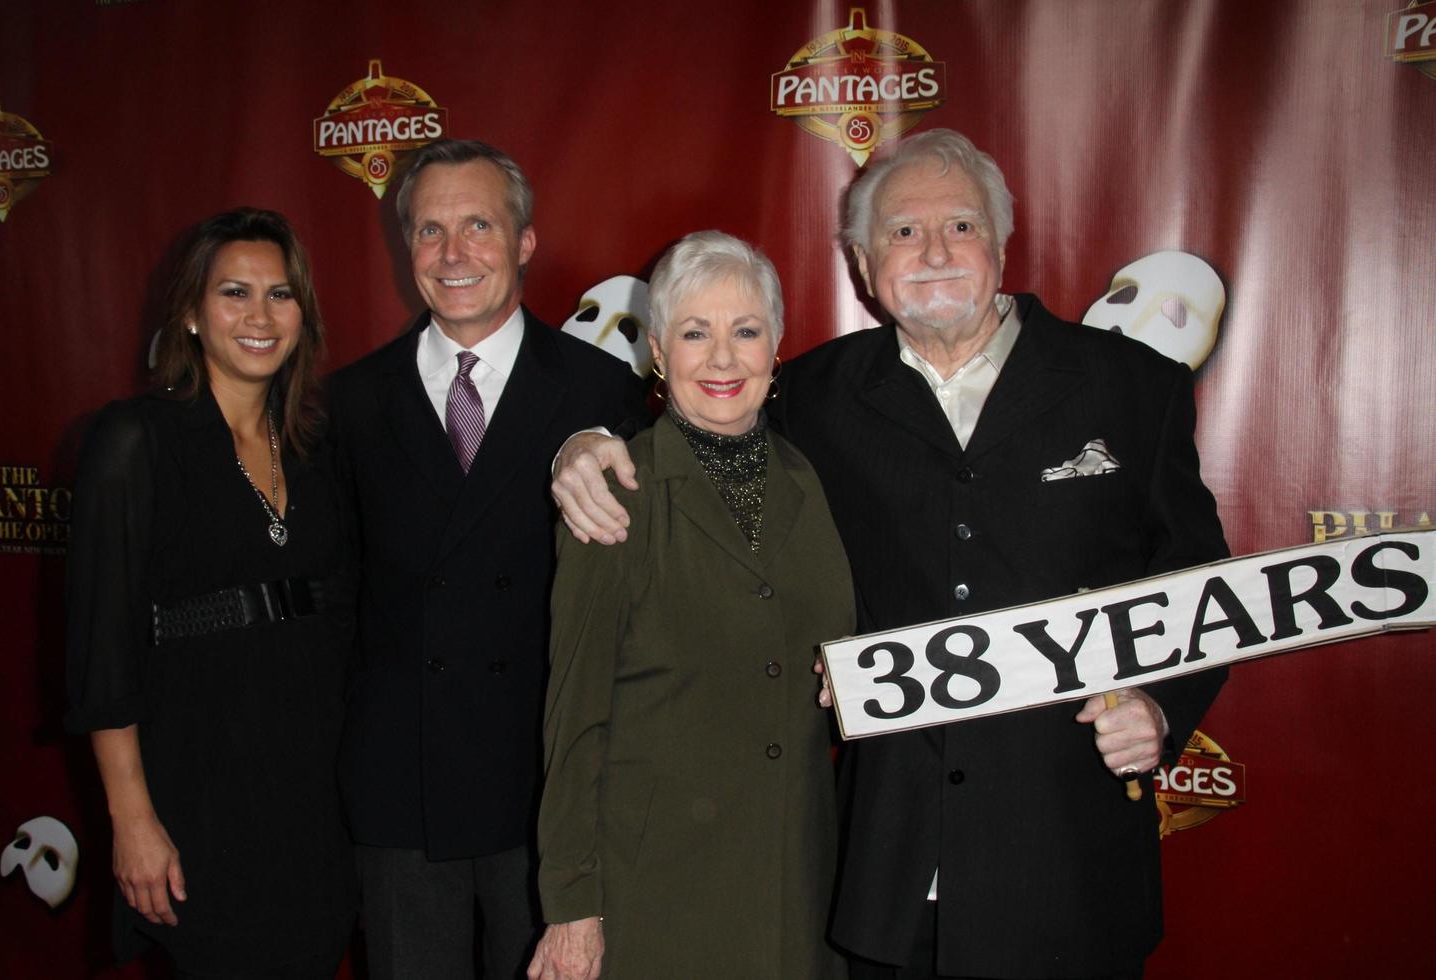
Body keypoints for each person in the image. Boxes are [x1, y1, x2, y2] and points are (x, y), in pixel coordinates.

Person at [550, 129, 1229, 979]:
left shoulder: (1132, 387)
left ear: (1002, 243)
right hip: (887, 869)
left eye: (960, 226)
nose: (934, 251)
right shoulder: (816, 394)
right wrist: (578, 442)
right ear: (866, 267)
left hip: (1070, 864)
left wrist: (1162, 707)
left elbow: (1200, 581)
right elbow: (697, 403)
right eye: (904, 233)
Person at [327, 139, 648, 980]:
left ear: (525, 242)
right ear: (407, 251)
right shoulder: (353, 402)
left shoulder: (600, 392)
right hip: (403, 792)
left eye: (479, 224)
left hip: (548, 791)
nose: (454, 253)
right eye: (430, 231)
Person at [527, 231, 852, 980]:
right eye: (695, 333)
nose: (722, 357)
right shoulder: (613, 492)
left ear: (778, 349)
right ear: (659, 355)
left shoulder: (813, 479)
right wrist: (572, 905)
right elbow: (573, 715)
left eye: (746, 331)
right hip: (658, 885)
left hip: (799, 881)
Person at [65, 208, 357, 978]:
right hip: (199, 783)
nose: (261, 316)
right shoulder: (136, 440)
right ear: (192, 313)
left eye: (282, 294)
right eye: (235, 293)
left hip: (314, 786)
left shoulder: (317, 446)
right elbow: (102, 647)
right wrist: (132, 820)